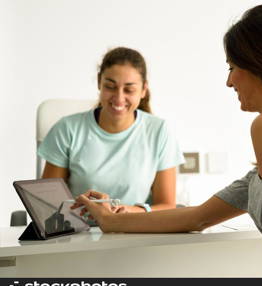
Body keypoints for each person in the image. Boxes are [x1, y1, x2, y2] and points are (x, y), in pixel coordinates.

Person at [72, 4, 262, 277]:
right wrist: (113, 220)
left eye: (232, 67)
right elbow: (199, 217)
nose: (229, 82)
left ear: (260, 63)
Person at [38, 47, 184, 214]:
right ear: (99, 82)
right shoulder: (67, 129)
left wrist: (125, 212)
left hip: (137, 231)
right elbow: (48, 204)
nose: (119, 98)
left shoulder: (159, 131)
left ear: (143, 90)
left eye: (129, 89)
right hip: (80, 232)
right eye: (110, 86)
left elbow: (166, 206)